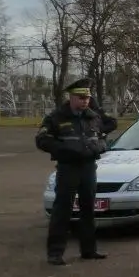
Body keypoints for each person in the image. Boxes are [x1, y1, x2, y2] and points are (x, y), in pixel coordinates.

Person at [36, 78, 116, 266]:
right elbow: (42, 140)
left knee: (88, 209)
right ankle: (55, 253)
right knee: (62, 209)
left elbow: (102, 137)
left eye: (87, 98)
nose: (85, 101)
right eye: (81, 98)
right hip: (68, 167)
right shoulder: (57, 117)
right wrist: (65, 149)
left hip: (89, 167)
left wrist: (100, 147)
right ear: (71, 97)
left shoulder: (93, 117)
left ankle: (89, 250)